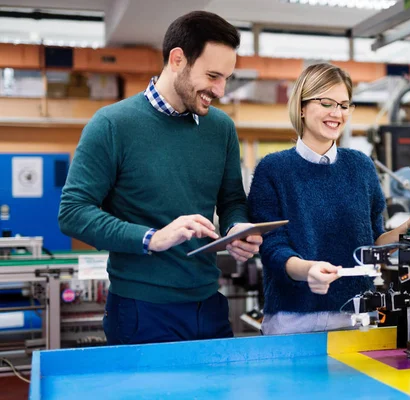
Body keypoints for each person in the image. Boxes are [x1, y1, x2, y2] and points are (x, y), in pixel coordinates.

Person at [58, 11, 262, 345]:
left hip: (209, 304)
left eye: (226, 77)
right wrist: (151, 238)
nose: (221, 90)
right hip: (141, 309)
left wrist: (237, 228)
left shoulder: (221, 128)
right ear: (177, 59)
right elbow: (73, 212)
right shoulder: (112, 125)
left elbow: (231, 202)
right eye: (212, 75)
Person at [247, 63, 410, 335]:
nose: (337, 113)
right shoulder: (273, 169)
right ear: (301, 106)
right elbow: (273, 250)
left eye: (344, 105)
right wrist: (307, 270)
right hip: (294, 319)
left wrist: (407, 228)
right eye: (326, 103)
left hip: (356, 316)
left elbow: (374, 241)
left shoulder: (360, 166)